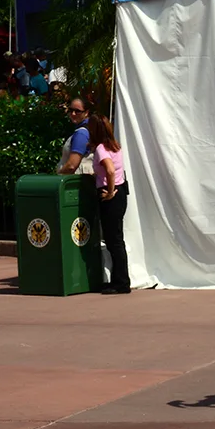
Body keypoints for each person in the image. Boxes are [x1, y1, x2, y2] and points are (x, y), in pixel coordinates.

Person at [87, 115, 131, 295]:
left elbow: (110, 170)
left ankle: (121, 283)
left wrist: (110, 190)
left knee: (114, 241)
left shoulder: (100, 149)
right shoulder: (115, 146)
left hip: (110, 194)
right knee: (116, 239)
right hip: (121, 192)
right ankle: (118, 279)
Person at [57, 97, 94, 175]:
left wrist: (57, 178)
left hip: (76, 181)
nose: (73, 114)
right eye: (71, 110)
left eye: (78, 111)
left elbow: (72, 165)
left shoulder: (81, 133)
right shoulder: (90, 128)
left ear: (86, 112)